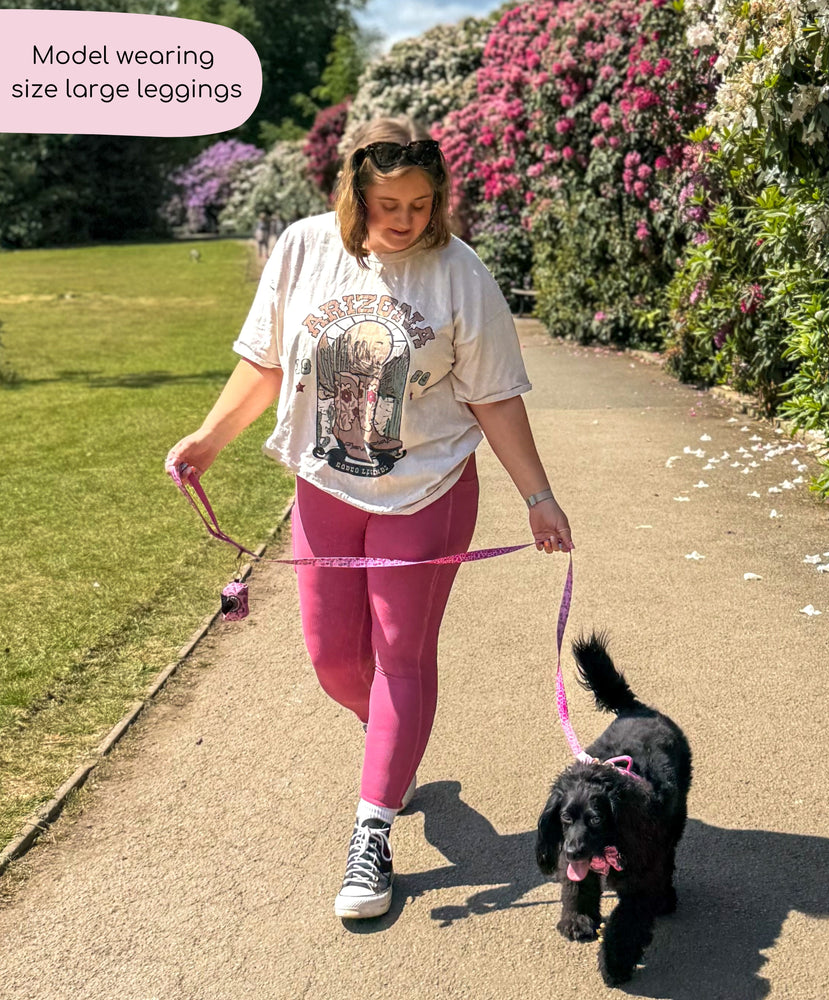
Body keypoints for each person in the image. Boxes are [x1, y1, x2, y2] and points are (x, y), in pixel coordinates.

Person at [165, 116, 573, 921]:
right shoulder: (306, 248)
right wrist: (210, 440)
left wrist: (537, 496)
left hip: (426, 489)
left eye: (422, 204)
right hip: (326, 485)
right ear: (352, 193)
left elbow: (494, 395)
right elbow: (268, 360)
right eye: (389, 204)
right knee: (333, 663)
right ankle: (390, 736)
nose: (407, 219)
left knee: (400, 655)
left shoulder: (459, 273)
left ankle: (372, 828)